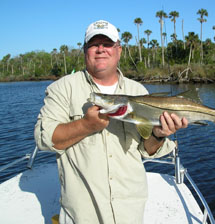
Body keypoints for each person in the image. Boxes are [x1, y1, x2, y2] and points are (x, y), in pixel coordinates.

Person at [34, 19, 188, 224]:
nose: (100, 49)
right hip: (83, 214)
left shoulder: (138, 91)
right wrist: (85, 125)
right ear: (85, 50)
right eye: (94, 44)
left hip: (130, 212)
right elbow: (44, 140)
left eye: (107, 44)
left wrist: (159, 135)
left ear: (119, 50)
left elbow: (147, 149)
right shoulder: (62, 89)